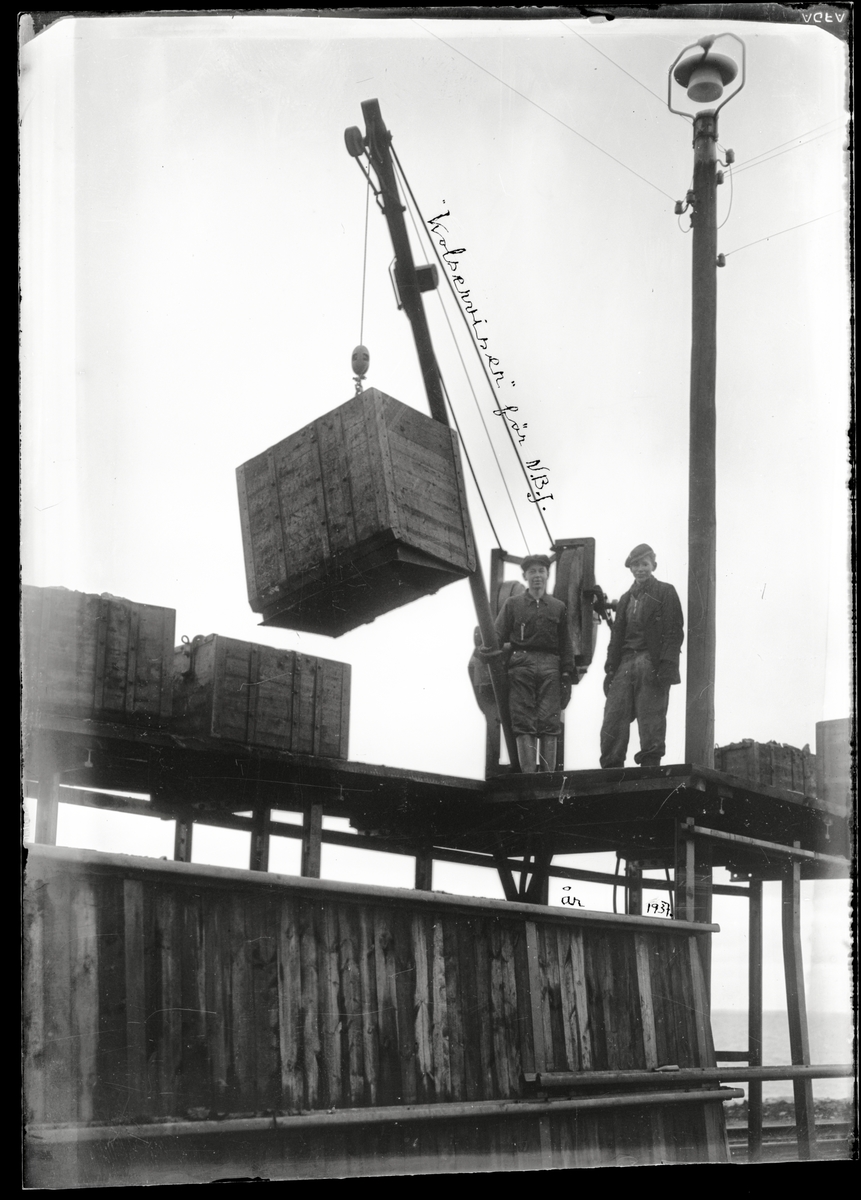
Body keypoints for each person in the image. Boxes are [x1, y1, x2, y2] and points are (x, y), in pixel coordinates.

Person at [599, 543, 684, 768]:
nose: (640, 569)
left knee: (651, 716)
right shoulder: (625, 599)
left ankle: (650, 765)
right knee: (614, 716)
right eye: (636, 565)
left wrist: (667, 665)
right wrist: (610, 669)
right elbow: (616, 638)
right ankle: (611, 768)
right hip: (625, 662)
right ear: (630, 568)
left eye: (644, 564)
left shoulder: (665, 592)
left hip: (651, 661)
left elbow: (674, 631)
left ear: (653, 565)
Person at [493, 554, 575, 773]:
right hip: (521, 665)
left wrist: (567, 674)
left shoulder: (558, 607)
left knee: (550, 721)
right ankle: (529, 776)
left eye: (541, 571)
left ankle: (548, 779)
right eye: (532, 572)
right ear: (525, 576)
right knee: (523, 720)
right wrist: (487, 650)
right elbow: (497, 634)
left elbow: (566, 643)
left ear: (547, 574)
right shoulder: (512, 604)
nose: (537, 576)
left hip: (550, 666)